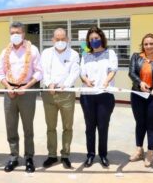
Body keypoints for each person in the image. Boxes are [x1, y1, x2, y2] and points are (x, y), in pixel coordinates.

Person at [0, 22, 43, 173]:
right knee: (11, 126)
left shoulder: (33, 50)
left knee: (27, 127)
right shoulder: (5, 52)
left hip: (26, 91)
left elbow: (38, 72)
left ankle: (29, 157)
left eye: (17, 32)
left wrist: (26, 86)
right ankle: (13, 157)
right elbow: (0, 72)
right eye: (12, 33)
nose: (14, 35)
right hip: (9, 91)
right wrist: (8, 86)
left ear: (23, 34)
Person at [40, 28, 80, 169]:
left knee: (67, 127)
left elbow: (74, 72)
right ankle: (52, 155)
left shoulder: (74, 54)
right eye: (57, 39)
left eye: (63, 39)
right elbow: (43, 71)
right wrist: (48, 83)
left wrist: (65, 85)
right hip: (49, 94)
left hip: (67, 94)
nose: (60, 42)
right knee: (51, 127)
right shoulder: (46, 53)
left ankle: (65, 155)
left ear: (67, 39)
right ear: (53, 40)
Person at [128, 33, 153, 167]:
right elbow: (132, 73)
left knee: (151, 123)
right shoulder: (136, 57)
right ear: (143, 45)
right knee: (140, 122)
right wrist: (140, 83)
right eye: (146, 44)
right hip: (138, 95)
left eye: (151, 43)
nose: (148, 46)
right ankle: (139, 150)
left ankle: (150, 152)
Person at [80, 26, 117, 168]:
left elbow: (113, 69)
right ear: (88, 41)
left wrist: (107, 81)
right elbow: (82, 72)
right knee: (90, 127)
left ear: (101, 38)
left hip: (105, 95)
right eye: (91, 39)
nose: (94, 41)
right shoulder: (85, 55)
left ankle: (103, 155)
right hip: (87, 96)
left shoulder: (110, 53)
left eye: (96, 38)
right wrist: (85, 80)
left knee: (102, 127)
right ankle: (90, 155)